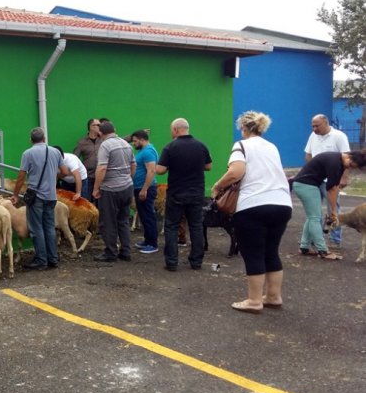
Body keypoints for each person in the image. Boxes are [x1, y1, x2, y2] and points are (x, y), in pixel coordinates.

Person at [211, 111, 293, 313]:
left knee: (253, 253)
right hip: (282, 203)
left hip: (254, 205)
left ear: (244, 128)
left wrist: (217, 186)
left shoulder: (241, 145)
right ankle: (273, 296)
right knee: (271, 251)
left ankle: (254, 300)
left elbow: (236, 171)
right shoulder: (271, 147)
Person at [155, 118, 212, 271]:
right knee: (196, 226)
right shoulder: (201, 145)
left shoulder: (170, 147)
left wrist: (156, 166)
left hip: (176, 193)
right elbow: (208, 166)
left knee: (171, 226)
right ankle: (196, 262)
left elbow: (160, 170)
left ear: (175, 130)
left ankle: (172, 262)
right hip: (197, 193)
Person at [11, 127, 69, 270]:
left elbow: (21, 177)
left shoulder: (28, 153)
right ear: (44, 138)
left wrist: (15, 195)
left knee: (36, 228)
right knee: (49, 227)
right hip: (51, 196)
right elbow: (65, 172)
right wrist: (54, 178)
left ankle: (41, 260)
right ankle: (53, 259)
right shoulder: (55, 152)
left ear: (31, 140)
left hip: (36, 196)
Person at [291, 150, 366, 259]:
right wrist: (334, 210)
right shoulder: (334, 162)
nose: (349, 168)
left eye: (352, 168)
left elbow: (335, 188)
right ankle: (323, 250)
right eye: (350, 165)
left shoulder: (341, 164)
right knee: (315, 217)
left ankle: (304, 247)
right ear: (349, 156)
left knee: (313, 216)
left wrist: (334, 209)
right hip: (305, 184)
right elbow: (330, 189)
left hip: (312, 184)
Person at [304, 114, 351, 249]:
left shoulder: (339, 136)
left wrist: (344, 177)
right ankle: (316, 238)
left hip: (331, 180)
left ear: (325, 123)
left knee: (334, 209)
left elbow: (347, 158)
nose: (314, 128)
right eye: (312, 126)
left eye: (317, 125)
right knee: (314, 210)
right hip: (315, 179)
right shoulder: (313, 136)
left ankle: (335, 239)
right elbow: (308, 154)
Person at [92, 121, 136, 262]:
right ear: (114, 130)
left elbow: (102, 168)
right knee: (123, 220)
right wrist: (128, 178)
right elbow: (133, 164)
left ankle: (110, 252)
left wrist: (96, 188)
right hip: (127, 187)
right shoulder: (126, 144)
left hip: (111, 189)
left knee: (108, 221)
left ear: (100, 133)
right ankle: (126, 251)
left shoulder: (105, 145)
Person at [130, 129, 159, 254]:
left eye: (135, 141)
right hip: (139, 188)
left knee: (148, 216)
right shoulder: (143, 151)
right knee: (144, 215)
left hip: (146, 189)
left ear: (142, 140)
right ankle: (147, 240)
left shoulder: (148, 152)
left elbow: (151, 171)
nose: (133, 144)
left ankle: (153, 244)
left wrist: (144, 189)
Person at [73, 118, 102, 201]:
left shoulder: (103, 139)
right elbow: (75, 157)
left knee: (102, 202)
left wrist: (132, 136)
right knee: (87, 201)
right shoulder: (82, 142)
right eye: (98, 125)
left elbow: (119, 140)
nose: (100, 127)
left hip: (101, 176)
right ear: (91, 127)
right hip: (88, 176)